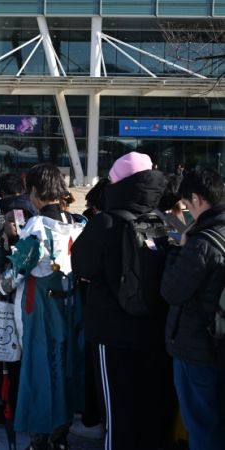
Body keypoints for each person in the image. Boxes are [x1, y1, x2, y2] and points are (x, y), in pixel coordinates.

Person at [72, 152, 174, 449]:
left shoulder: (105, 222)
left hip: (112, 333)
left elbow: (81, 266)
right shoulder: (154, 221)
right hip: (152, 329)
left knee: (118, 413)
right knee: (149, 409)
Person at [0, 163, 85, 450]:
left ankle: (40, 438)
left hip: (41, 310)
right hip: (72, 303)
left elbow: (14, 275)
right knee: (66, 367)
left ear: (34, 191)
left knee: (39, 370)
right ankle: (61, 433)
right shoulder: (78, 222)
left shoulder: (36, 227)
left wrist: (0, 278)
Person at [161, 169, 225, 450]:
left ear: (197, 199)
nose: (185, 211)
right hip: (219, 343)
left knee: (202, 425)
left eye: (186, 205)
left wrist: (177, 248)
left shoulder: (200, 242)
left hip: (198, 348)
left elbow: (171, 290)